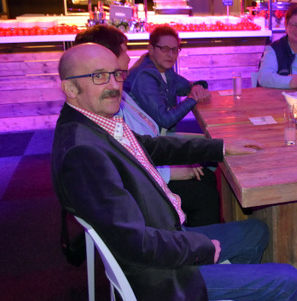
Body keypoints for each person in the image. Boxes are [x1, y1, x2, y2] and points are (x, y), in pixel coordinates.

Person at [52, 43, 297, 301]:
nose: (114, 85)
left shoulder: (94, 124)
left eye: (117, 74)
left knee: (255, 232)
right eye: (98, 76)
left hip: (167, 239)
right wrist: (198, 248)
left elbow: (152, 146)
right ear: (70, 88)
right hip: (161, 276)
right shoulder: (83, 153)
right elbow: (135, 242)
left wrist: (221, 147)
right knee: (288, 281)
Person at [75, 25, 220, 226]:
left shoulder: (120, 88)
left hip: (151, 156)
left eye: (175, 49)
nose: (129, 58)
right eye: (125, 51)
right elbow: (123, 162)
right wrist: (170, 172)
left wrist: (195, 87)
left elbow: (139, 145)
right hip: (139, 188)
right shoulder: (108, 101)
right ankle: (196, 242)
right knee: (205, 190)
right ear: (107, 57)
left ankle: (199, 236)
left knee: (208, 168)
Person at [125, 24, 211, 134]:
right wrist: (193, 98)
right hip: (149, 141)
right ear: (151, 49)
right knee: (211, 142)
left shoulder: (164, 69)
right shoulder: (145, 76)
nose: (170, 55)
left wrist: (197, 87)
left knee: (213, 141)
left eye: (174, 49)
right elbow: (166, 120)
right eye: (164, 49)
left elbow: (186, 86)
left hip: (162, 136)